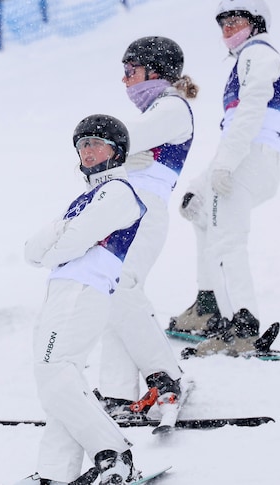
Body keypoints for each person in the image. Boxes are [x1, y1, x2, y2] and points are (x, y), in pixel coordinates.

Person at [20, 115, 145, 485]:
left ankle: (114, 453)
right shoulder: (85, 199)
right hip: (63, 289)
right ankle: (54, 473)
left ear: (117, 150)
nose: (87, 150)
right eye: (82, 144)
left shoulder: (119, 191)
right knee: (59, 381)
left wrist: (62, 240)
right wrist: (64, 235)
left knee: (54, 373)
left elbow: (70, 244)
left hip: (83, 289)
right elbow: (31, 251)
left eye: (96, 143)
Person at [171, 0, 280, 356]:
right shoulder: (247, 58)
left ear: (256, 23)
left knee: (227, 241)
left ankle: (241, 324)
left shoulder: (258, 53)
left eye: (235, 21)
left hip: (248, 159)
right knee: (202, 215)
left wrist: (226, 164)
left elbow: (252, 111)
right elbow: (238, 126)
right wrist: (202, 183)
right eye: (223, 24)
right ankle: (210, 306)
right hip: (246, 157)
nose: (227, 30)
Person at [96, 37, 198, 421]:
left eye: (131, 71)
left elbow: (121, 142)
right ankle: (117, 393)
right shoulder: (159, 108)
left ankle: (168, 376)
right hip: (126, 208)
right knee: (112, 292)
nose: (125, 81)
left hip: (145, 209)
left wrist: (112, 146)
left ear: (155, 72)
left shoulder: (172, 106)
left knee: (121, 288)